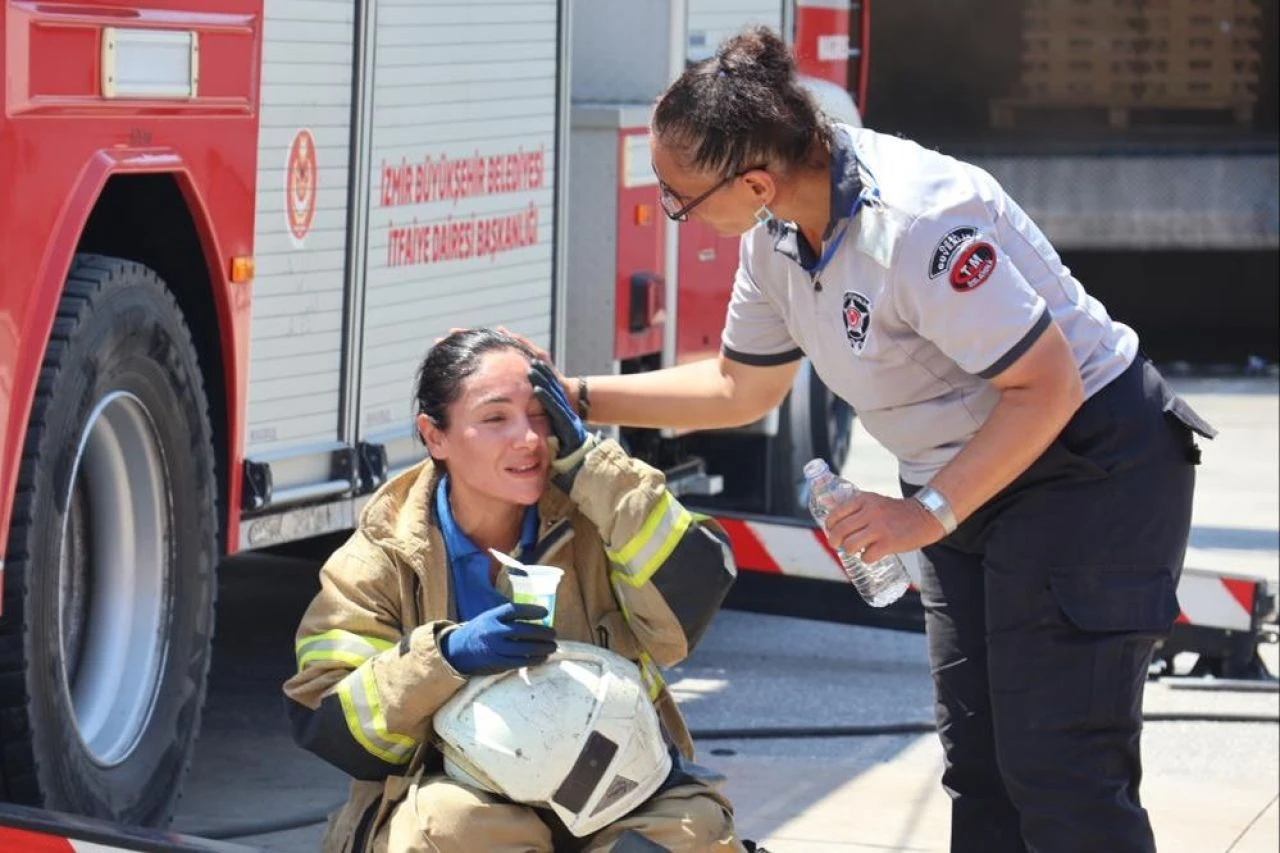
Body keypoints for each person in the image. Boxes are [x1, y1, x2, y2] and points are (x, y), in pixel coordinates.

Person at [520, 26, 1218, 853]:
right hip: (971, 479)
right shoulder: (775, 235)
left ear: (753, 179)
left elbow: (1048, 386)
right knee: (981, 766)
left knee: (1061, 771)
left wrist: (923, 513)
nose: (675, 214)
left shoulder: (918, 222)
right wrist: (579, 393)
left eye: (682, 197)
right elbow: (740, 387)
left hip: (1088, 466)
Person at [282, 329, 746, 853]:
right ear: (435, 437)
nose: (527, 439)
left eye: (539, 414)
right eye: (496, 418)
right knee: (439, 830)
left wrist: (595, 466)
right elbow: (331, 724)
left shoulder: (599, 513)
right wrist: (444, 658)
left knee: (698, 835)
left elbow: (688, 603)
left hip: (614, 783)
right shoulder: (377, 559)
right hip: (464, 791)